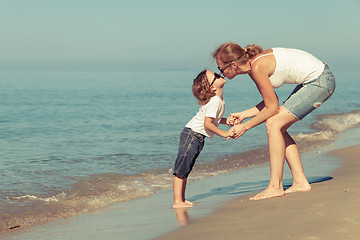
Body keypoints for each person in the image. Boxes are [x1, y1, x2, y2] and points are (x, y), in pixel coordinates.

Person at [213, 42, 335, 200]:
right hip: (317, 80)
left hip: (320, 81)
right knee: (277, 125)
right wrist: (243, 115)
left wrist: (245, 127)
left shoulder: (257, 67)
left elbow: (272, 108)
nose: (220, 73)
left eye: (220, 69)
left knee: (273, 123)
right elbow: (270, 102)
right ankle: (299, 182)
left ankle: (275, 186)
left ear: (234, 64)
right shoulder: (253, 67)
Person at [172, 70, 234, 208]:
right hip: (192, 134)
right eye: (216, 76)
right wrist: (224, 134)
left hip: (196, 135)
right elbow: (207, 124)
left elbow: (213, 120)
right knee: (181, 168)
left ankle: (181, 199)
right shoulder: (216, 101)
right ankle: (177, 201)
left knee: (186, 168)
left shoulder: (218, 101)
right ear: (212, 87)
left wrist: (226, 121)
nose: (220, 75)